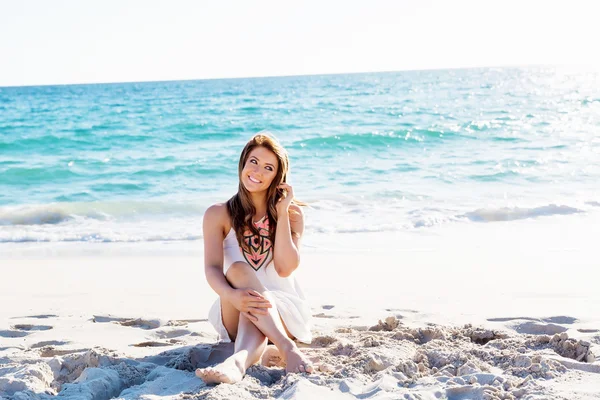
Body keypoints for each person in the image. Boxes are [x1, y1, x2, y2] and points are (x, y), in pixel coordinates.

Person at [196, 133, 313, 384]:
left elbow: (285, 268)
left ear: (277, 177)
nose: (257, 171)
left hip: (283, 310)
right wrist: (232, 296)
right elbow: (212, 268)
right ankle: (286, 349)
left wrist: (281, 215)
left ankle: (238, 361)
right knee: (238, 271)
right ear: (243, 163)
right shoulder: (218, 214)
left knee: (252, 297)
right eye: (253, 161)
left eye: (268, 168)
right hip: (234, 306)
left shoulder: (292, 215)